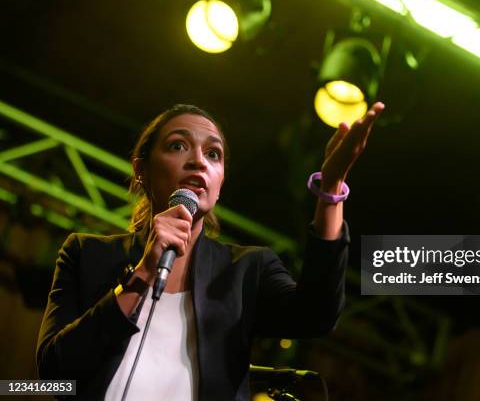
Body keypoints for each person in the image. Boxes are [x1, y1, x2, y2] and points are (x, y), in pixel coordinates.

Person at [36, 102, 385, 400]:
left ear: (219, 182)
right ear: (141, 170)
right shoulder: (87, 254)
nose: (199, 161)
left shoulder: (247, 270)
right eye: (177, 146)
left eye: (213, 154)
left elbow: (317, 314)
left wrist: (331, 188)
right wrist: (142, 274)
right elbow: (54, 371)